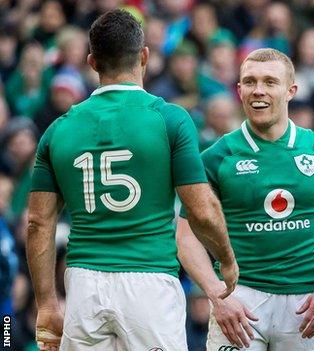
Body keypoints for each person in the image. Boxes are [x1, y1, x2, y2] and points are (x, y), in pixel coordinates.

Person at [26, 9, 238, 351]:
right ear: (144, 56)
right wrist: (226, 260)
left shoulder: (58, 129)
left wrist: (47, 303)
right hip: (150, 281)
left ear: (92, 62)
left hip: (84, 283)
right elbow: (201, 208)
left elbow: (38, 222)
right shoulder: (170, 119)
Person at [176, 48, 314, 351]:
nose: (258, 91)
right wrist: (217, 295)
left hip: (307, 303)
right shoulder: (216, 157)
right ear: (239, 90)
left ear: (291, 90)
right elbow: (185, 236)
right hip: (239, 300)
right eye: (250, 82)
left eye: (270, 82)